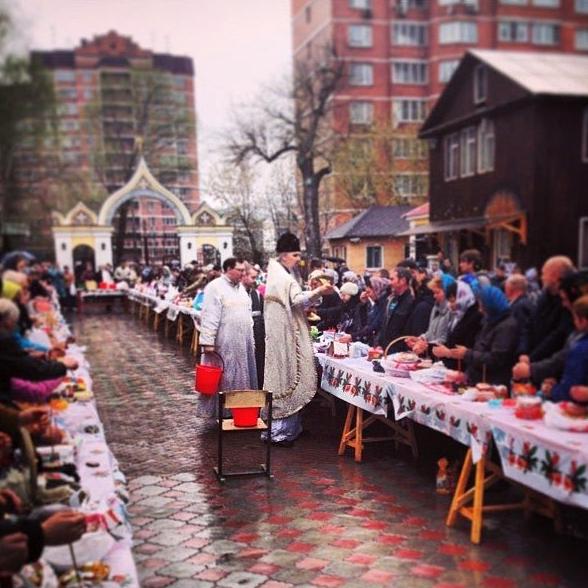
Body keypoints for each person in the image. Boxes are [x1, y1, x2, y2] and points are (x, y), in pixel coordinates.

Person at [263, 233, 334, 446]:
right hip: (284, 335)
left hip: (283, 331)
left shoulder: (281, 273)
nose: (297, 259)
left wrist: (311, 299)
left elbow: (293, 303)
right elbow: (296, 299)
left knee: (290, 374)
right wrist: (319, 290)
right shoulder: (282, 277)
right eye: (295, 255)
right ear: (284, 255)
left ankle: (291, 428)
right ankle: (279, 432)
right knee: (287, 376)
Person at [198, 258, 258, 417]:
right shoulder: (214, 287)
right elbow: (209, 315)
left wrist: (251, 340)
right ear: (228, 269)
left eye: (244, 271)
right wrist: (207, 341)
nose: (243, 274)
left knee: (241, 376)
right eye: (239, 270)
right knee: (225, 376)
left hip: (242, 342)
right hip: (223, 342)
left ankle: (239, 410)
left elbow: (248, 314)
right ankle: (222, 411)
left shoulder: (241, 289)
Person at [440, 286, 520, 386]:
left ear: (491, 305)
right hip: (477, 379)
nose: (480, 310)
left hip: (493, 384)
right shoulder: (489, 321)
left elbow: (495, 359)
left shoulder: (507, 327)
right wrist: (466, 375)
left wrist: (467, 354)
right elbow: (479, 348)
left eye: (482, 306)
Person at [528, 255, 575, 362]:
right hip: (537, 357)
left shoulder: (570, 300)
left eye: (544, 273)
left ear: (555, 275)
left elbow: (559, 334)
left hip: (552, 359)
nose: (541, 277)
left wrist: (532, 358)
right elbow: (530, 323)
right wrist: (524, 352)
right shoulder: (543, 297)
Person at [549, 295, 588, 403]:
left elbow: (569, 390)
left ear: (583, 321)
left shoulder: (580, 349)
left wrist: (552, 390)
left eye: (574, 318)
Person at [407, 274, 453, 356]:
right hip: (433, 357)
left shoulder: (451, 311)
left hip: (445, 358)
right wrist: (419, 339)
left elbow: (445, 338)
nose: (434, 296)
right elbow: (430, 332)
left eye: (437, 292)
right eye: (433, 293)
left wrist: (425, 345)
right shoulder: (435, 307)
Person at [378, 267, 415, 353]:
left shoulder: (410, 302)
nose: (389, 283)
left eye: (392, 279)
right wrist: (380, 343)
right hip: (386, 349)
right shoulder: (391, 299)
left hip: (399, 352)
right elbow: (385, 324)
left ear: (402, 281)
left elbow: (409, 330)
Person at [242, 263, 265, 389]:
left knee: (258, 365)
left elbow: (262, 315)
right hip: (243, 336)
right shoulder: (238, 294)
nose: (255, 280)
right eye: (252, 277)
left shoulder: (257, 294)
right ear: (244, 276)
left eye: (256, 277)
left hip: (258, 336)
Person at [505, 274, 534, 356]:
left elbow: (523, 331)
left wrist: (521, 353)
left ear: (511, 287)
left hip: (517, 353)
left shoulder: (520, 306)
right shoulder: (521, 302)